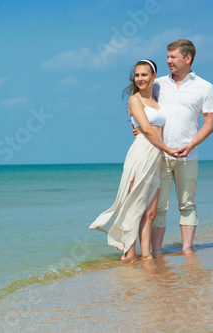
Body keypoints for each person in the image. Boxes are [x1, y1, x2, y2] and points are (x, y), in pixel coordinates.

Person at [89, 59, 179, 261]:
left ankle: (146, 255)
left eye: (144, 74)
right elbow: (146, 129)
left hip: (155, 157)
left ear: (153, 76)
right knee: (134, 206)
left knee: (151, 212)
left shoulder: (156, 100)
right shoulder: (134, 100)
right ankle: (129, 254)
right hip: (142, 153)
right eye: (137, 75)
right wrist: (168, 149)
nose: (140, 78)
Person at [148, 39, 213, 256]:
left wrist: (191, 145)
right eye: (167, 57)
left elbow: (209, 123)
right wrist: (138, 129)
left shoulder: (205, 87)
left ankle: (187, 251)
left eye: (172, 57)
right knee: (159, 207)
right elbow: (143, 109)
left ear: (187, 59)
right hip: (160, 154)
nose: (168, 61)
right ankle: (157, 253)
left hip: (188, 155)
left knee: (187, 204)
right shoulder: (157, 84)